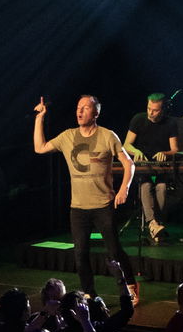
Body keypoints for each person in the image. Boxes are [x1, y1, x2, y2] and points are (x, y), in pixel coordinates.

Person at [33, 94, 135, 299]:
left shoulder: (107, 136)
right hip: (78, 207)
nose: (80, 111)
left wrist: (124, 188)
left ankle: (130, 287)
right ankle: (89, 294)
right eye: (78, 107)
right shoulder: (68, 136)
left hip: (103, 205)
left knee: (114, 252)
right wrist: (40, 117)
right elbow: (40, 148)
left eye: (85, 108)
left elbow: (129, 163)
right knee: (80, 255)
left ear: (96, 113)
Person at [124, 93, 181, 244]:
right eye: (149, 108)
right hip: (143, 166)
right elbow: (126, 145)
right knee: (146, 184)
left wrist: (165, 153)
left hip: (161, 167)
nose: (150, 112)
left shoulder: (170, 123)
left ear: (163, 110)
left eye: (155, 110)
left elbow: (175, 149)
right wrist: (135, 151)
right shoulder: (138, 119)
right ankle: (153, 224)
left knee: (162, 187)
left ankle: (157, 223)